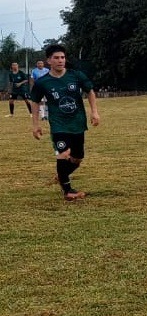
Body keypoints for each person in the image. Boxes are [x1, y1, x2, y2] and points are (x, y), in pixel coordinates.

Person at [30, 44, 100, 201]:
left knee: (77, 159)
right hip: (58, 125)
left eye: (62, 57)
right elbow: (34, 101)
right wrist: (36, 124)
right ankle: (68, 191)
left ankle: (61, 175)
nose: (60, 60)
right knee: (63, 154)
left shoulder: (76, 75)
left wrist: (94, 112)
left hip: (77, 123)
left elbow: (90, 91)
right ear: (48, 61)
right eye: (56, 58)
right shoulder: (43, 82)